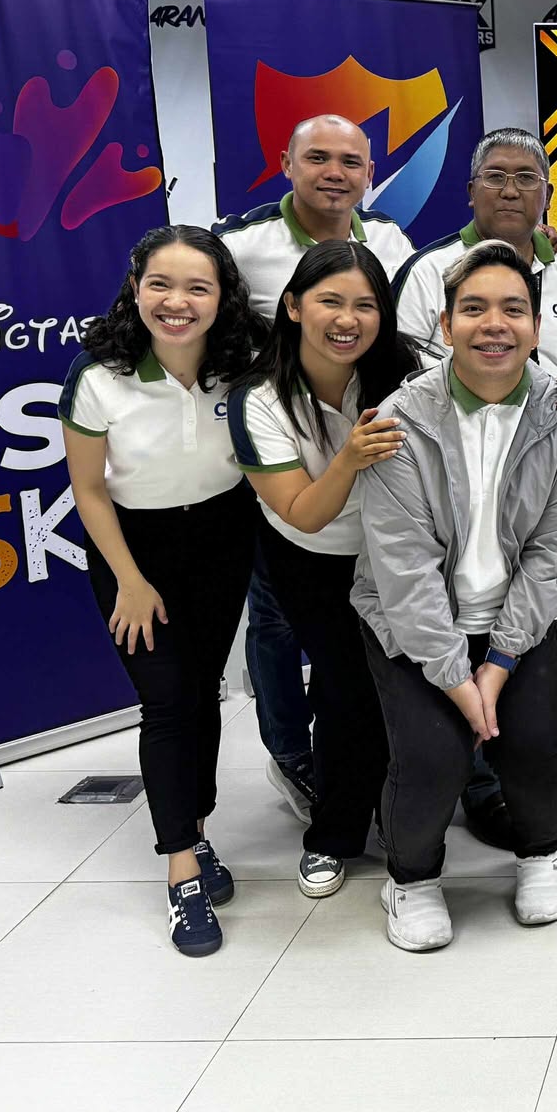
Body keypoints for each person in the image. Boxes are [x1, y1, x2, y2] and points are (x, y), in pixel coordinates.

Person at [352, 241, 557, 952]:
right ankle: (411, 878)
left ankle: (542, 852)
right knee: (432, 759)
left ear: (536, 326)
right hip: (415, 620)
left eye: (513, 309)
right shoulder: (399, 419)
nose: (495, 324)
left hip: (514, 612)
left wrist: (500, 662)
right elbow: (403, 569)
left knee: (535, 748)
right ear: (445, 323)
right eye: (474, 309)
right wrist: (456, 677)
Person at [61, 226, 263, 957]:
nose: (177, 303)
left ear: (222, 296)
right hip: (133, 550)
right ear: (136, 288)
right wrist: (130, 580)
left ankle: (196, 830)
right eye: (161, 285)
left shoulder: (243, 358)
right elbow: (88, 489)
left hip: (222, 538)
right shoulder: (97, 372)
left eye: (197, 288)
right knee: (167, 701)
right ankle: (181, 872)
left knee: (201, 692)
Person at [216, 115, 415, 822]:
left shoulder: (388, 240)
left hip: (368, 464)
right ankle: (292, 756)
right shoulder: (240, 246)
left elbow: (416, 336)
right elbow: (182, 313)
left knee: (349, 648)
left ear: (369, 173)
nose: (335, 173)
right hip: (272, 455)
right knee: (276, 620)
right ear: (286, 163)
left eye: (351, 162)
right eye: (318, 158)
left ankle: (362, 767)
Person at [228, 240, 414, 899]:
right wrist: (350, 457)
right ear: (292, 306)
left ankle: (400, 811)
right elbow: (302, 513)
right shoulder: (257, 398)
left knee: (403, 681)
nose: (347, 319)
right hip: (308, 556)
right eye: (330, 301)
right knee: (347, 687)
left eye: (366, 305)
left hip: (394, 548)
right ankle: (333, 835)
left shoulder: (403, 369)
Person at [395, 129, 557, 381]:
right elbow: (400, 368)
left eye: (526, 178)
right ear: (472, 192)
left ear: (547, 196)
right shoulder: (426, 272)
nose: (510, 191)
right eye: (495, 177)